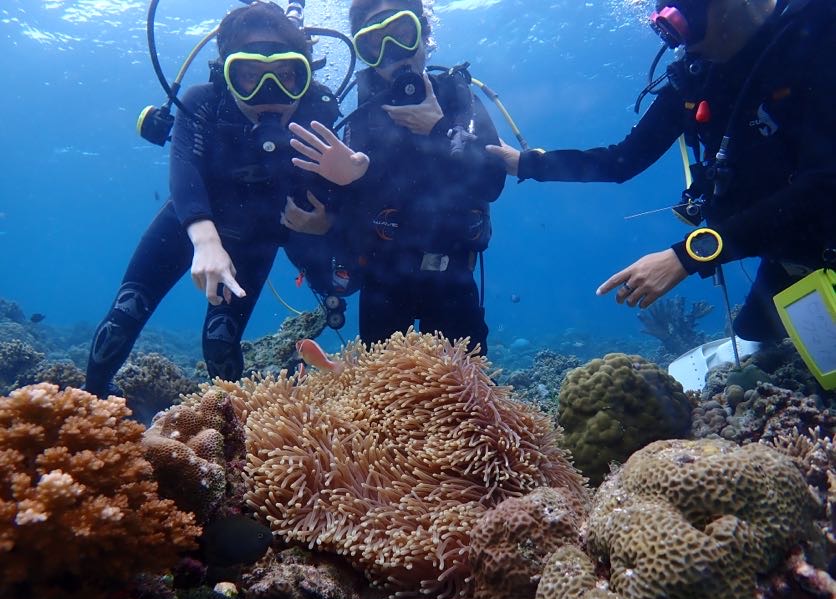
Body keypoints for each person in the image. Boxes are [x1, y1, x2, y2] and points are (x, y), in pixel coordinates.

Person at [487, 0, 836, 343]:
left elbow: (824, 186)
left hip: (824, 230)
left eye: (690, 17)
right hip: (784, 245)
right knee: (754, 333)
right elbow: (623, 159)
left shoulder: (821, 34)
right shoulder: (698, 76)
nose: (685, 44)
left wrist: (688, 256)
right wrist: (526, 164)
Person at [85, 1, 341, 397]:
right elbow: (184, 170)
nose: (267, 93)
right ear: (226, 74)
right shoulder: (203, 102)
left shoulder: (317, 110)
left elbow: (334, 195)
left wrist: (326, 222)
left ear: (304, 77)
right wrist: (205, 241)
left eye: (286, 76)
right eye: (249, 76)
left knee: (220, 342)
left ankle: (230, 429)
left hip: (259, 238)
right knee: (125, 313)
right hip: (189, 223)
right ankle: (90, 404)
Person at [286, 0, 506, 354]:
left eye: (402, 33)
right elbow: (351, 218)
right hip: (383, 281)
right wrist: (331, 215)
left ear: (424, 34)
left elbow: (492, 182)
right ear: (365, 55)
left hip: (452, 276)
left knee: (463, 389)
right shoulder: (361, 117)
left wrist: (438, 128)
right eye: (375, 43)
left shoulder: (456, 95)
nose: (392, 53)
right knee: (381, 389)